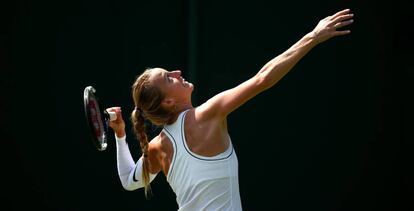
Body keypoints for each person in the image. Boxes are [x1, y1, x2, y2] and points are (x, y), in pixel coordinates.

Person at [107, 8, 354, 211]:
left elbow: (130, 181)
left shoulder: (158, 146)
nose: (177, 73)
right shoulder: (206, 115)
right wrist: (313, 36)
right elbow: (262, 79)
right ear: (168, 102)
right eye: (169, 78)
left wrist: (120, 135)